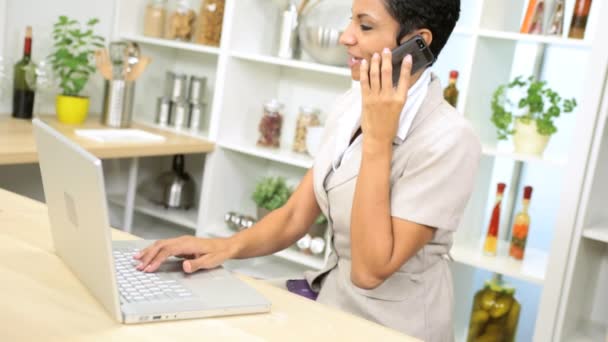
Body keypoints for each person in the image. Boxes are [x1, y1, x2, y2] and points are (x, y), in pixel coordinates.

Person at [135, 0, 481, 340]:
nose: (346, 37)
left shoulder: (449, 140)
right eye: (351, 21)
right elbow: (294, 216)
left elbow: (369, 271)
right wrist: (223, 247)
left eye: (365, 25)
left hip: (394, 327)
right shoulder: (352, 103)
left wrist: (378, 139)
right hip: (333, 302)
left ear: (416, 43)